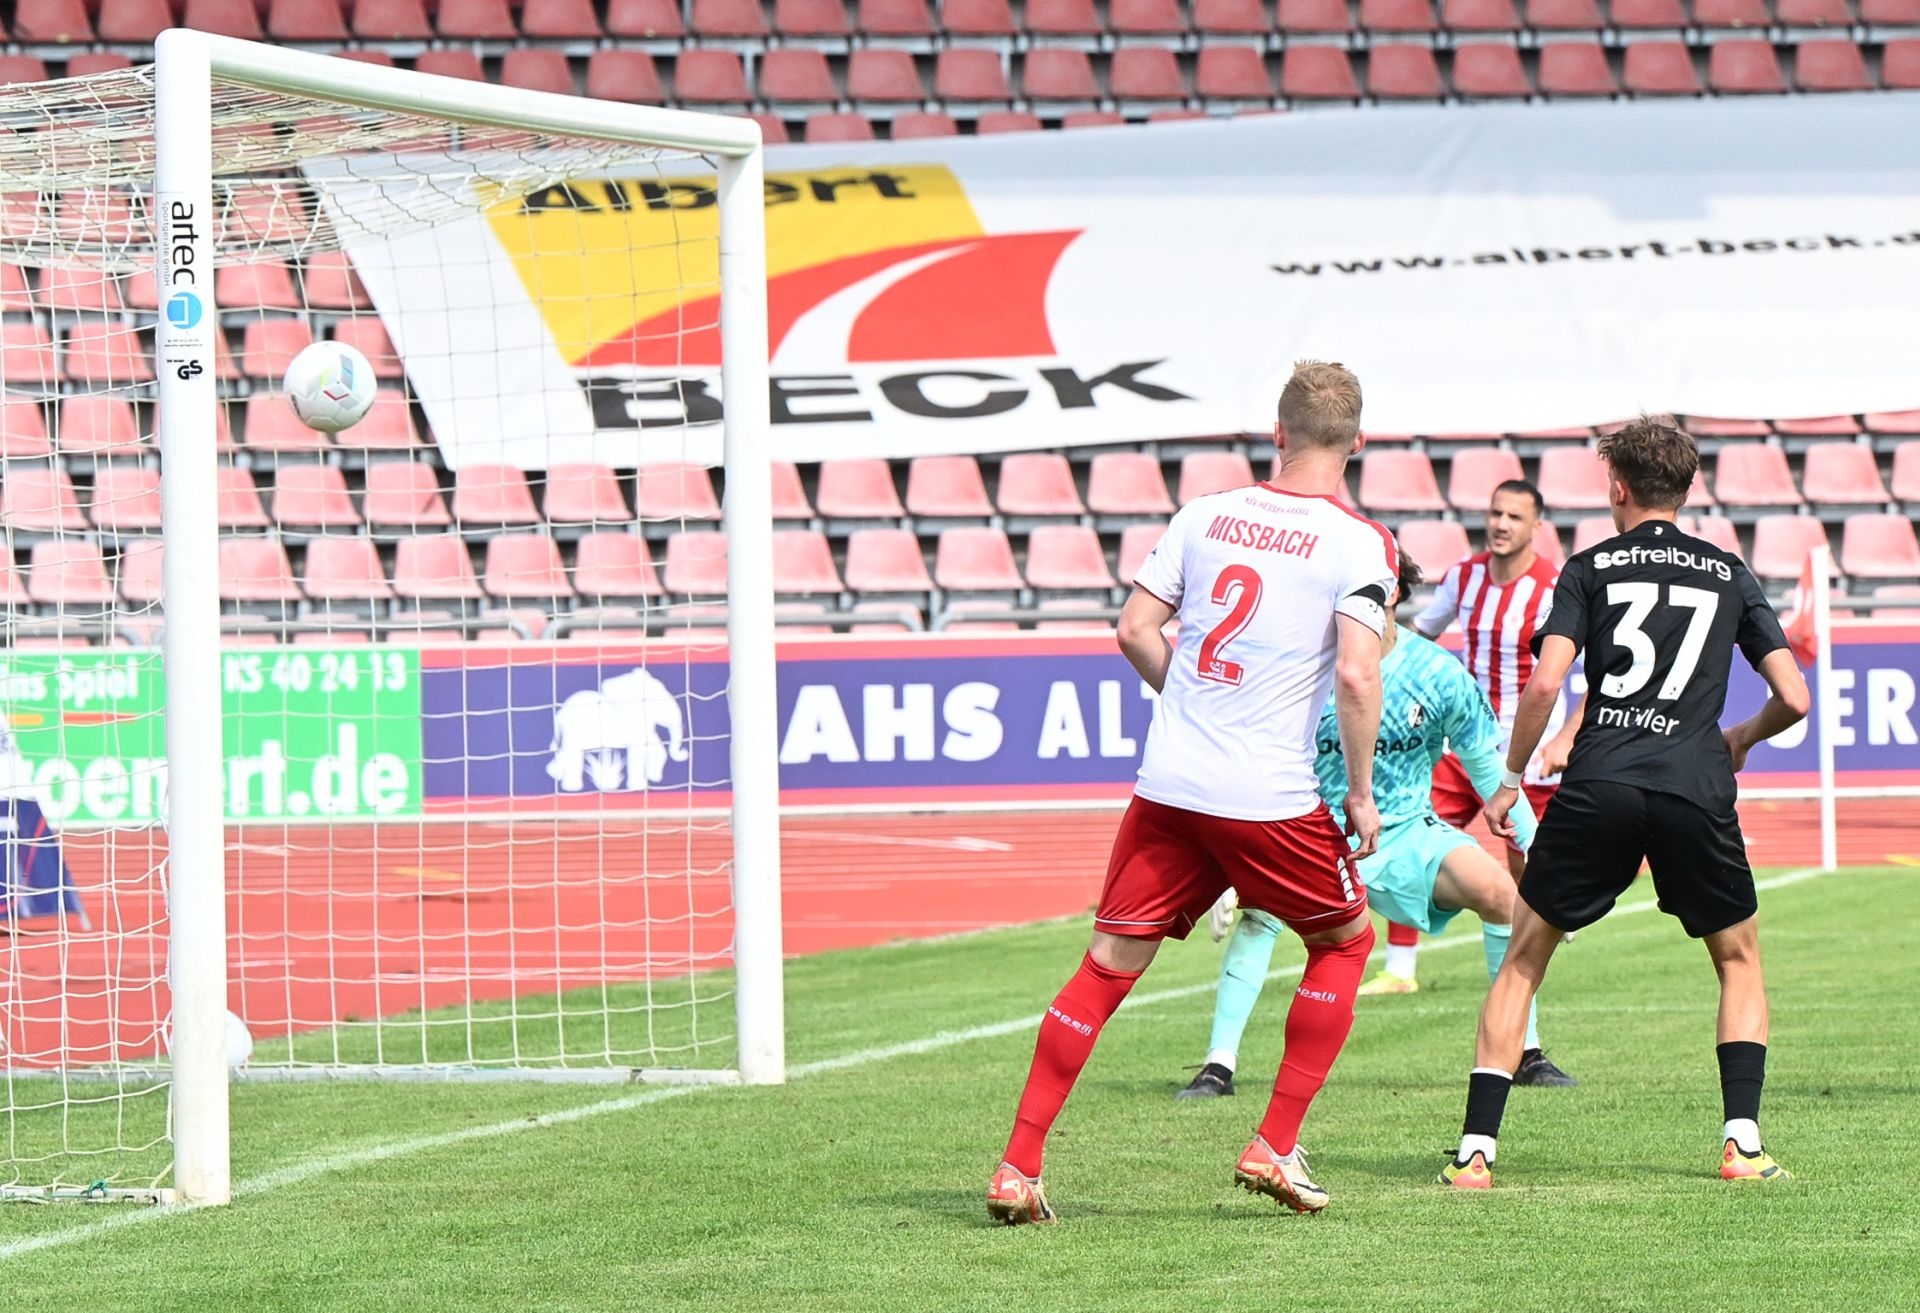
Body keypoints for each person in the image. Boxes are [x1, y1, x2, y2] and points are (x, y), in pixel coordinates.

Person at [986, 361, 1397, 1224]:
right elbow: (1360, 673)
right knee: (1345, 941)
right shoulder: (1358, 541)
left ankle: (1018, 1166)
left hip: (1171, 784)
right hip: (1268, 794)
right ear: (1358, 442)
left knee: (1106, 964)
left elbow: (1135, 629)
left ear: (1278, 433)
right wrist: (1360, 793)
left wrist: (1196, 704)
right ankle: (1275, 1142)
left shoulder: (1204, 514)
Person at [1440, 417, 1810, 1190]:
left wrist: (1510, 777)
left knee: (1524, 959)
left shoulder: (1589, 567)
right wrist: (1741, 736)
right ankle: (1742, 1145)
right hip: (1692, 783)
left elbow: (1547, 682)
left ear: (1618, 488)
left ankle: (1475, 1152)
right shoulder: (1729, 572)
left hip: (1600, 781)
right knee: (1738, 960)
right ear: (1687, 488)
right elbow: (1795, 696)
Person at [1177, 550, 1572, 1100]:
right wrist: (1225, 865)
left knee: (1503, 896)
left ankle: (1524, 1052)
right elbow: (1248, 761)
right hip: (1312, 832)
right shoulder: (1298, 667)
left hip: (1408, 831)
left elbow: (1490, 772)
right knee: (1259, 915)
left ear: (1392, 594)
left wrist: (1547, 867)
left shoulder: (1437, 672)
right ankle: (1217, 1067)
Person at [1361, 481, 1575, 996]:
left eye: (1514, 517)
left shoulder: (1554, 588)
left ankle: (1530, 950)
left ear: (1536, 527)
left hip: (1527, 749)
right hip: (1464, 743)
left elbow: (1590, 672)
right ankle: (1400, 970)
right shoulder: (1464, 576)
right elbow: (1418, 636)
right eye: (1496, 512)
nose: (1501, 524)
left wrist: (1566, 737)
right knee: (1407, 837)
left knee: (1526, 863)